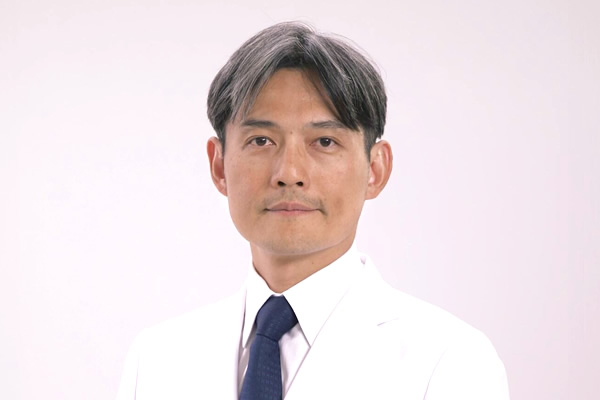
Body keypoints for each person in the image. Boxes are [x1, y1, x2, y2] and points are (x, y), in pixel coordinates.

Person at [116, 22, 510, 400]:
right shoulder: (156, 361)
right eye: (261, 140)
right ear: (219, 166)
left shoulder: (450, 361)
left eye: (324, 141)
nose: (289, 174)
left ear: (375, 169)